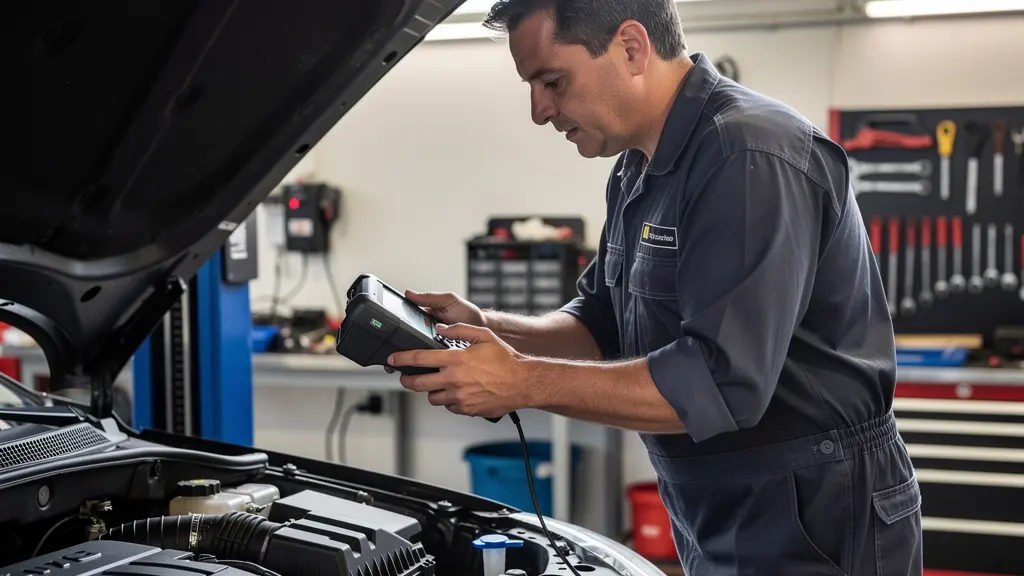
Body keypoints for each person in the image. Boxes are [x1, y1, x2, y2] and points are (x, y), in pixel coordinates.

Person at [387, 1, 923, 574]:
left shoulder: (748, 154)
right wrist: (489, 329)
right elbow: (600, 323)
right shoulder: (639, 166)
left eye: (552, 81)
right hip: (718, 506)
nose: (540, 111)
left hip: (815, 510)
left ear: (632, 48)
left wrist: (521, 381)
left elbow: (721, 384)